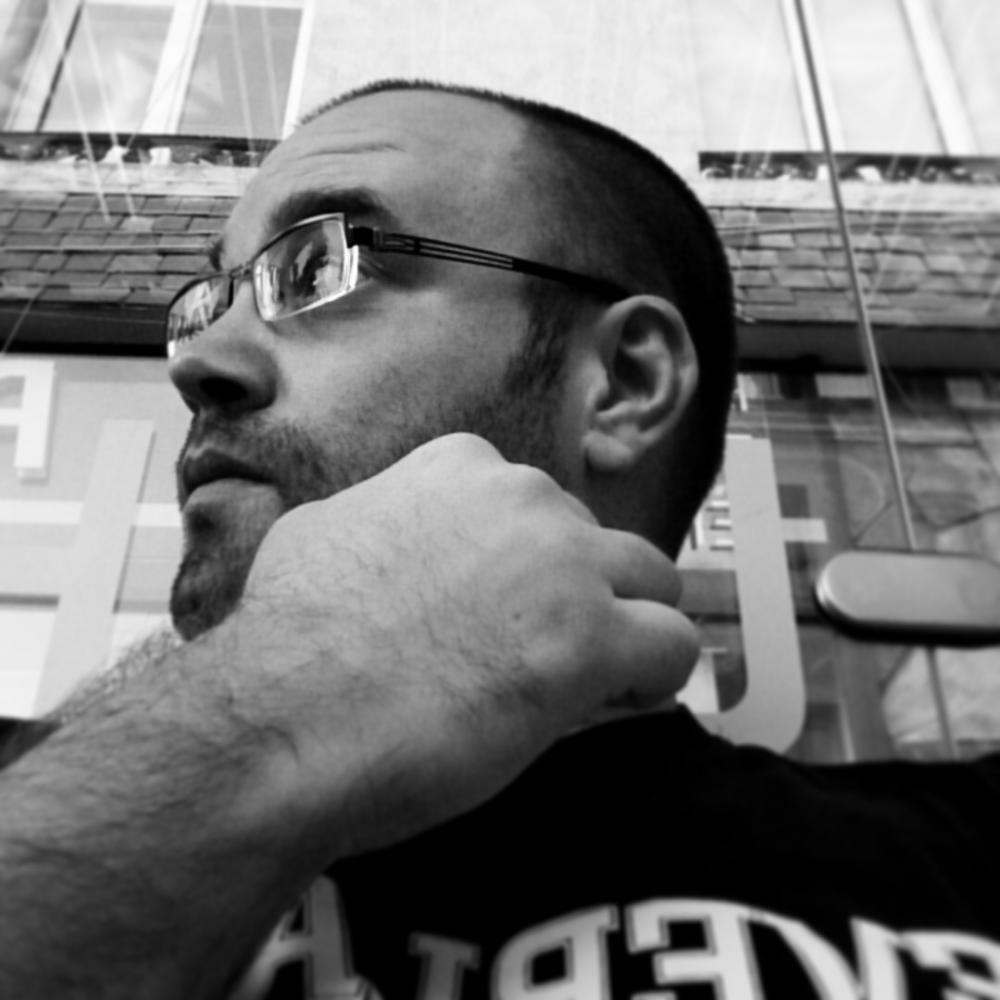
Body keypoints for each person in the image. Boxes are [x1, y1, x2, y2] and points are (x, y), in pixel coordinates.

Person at [0, 80, 997, 1000]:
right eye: (208, 301)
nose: (201, 362)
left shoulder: (965, 862)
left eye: (317, 265)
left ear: (624, 384)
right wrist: (284, 687)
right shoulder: (31, 798)